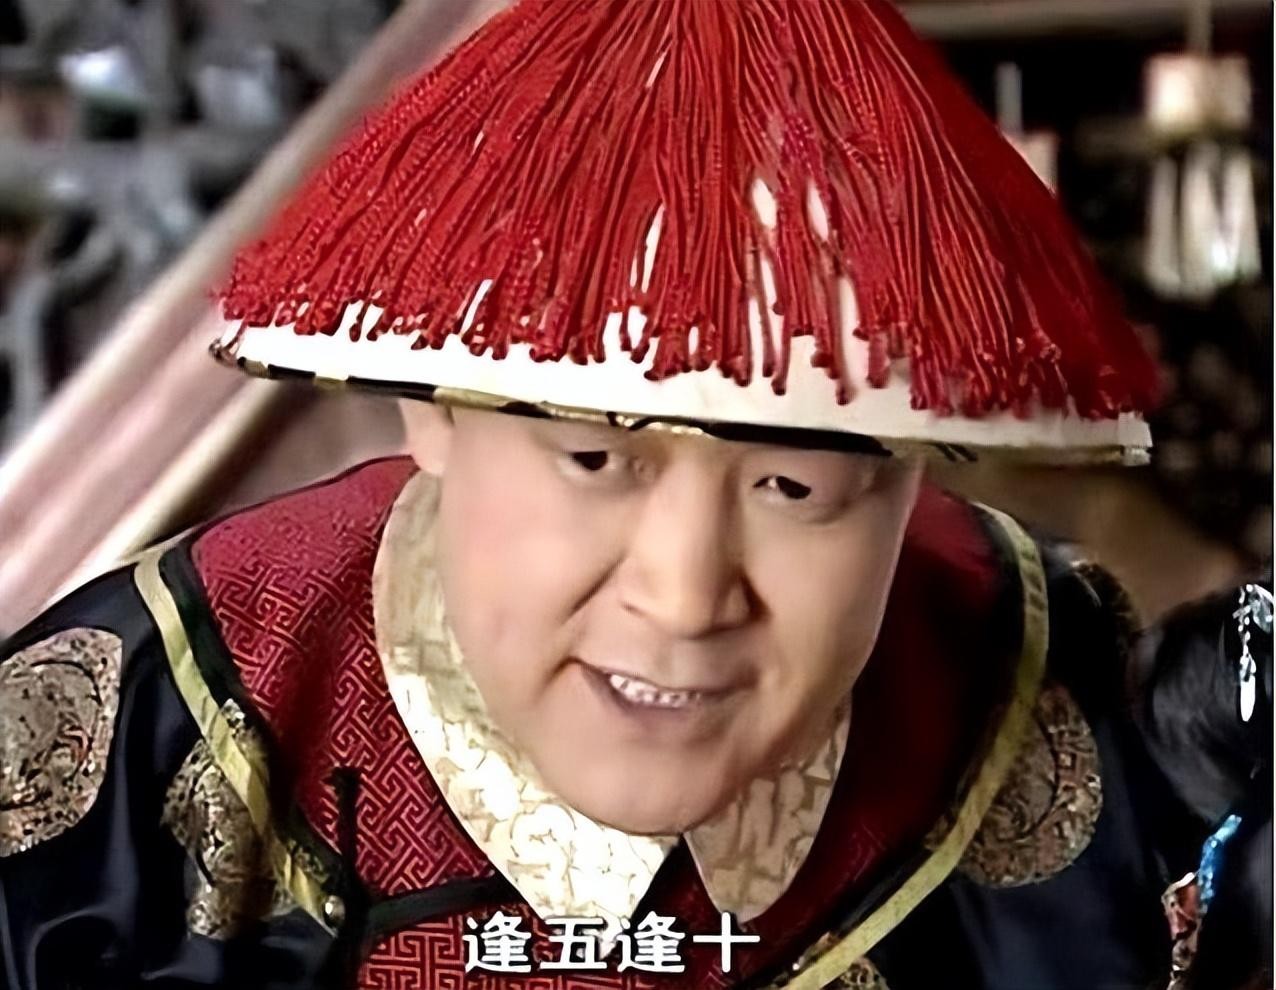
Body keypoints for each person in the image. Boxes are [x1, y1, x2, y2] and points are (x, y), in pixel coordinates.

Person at [0, 1, 1268, 988]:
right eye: (595, 461)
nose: (684, 596)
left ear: (910, 476)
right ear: (429, 409)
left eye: (796, 483)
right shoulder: (140, 726)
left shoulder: (1041, 691)